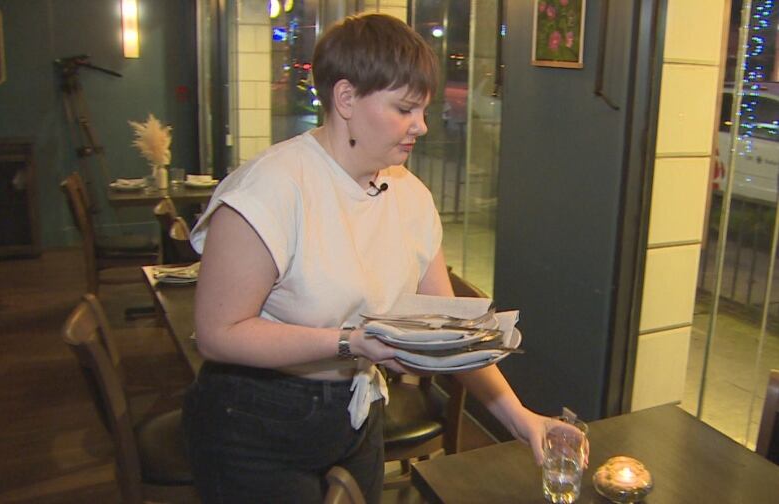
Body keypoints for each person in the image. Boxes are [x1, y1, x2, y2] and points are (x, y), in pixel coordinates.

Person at [182, 12, 583, 504]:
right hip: (254, 421)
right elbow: (219, 335)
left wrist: (523, 419)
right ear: (346, 98)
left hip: (355, 412)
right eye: (405, 109)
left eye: (423, 110)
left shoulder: (408, 193)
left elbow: (449, 331)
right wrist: (351, 343)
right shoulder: (271, 188)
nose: (423, 126)